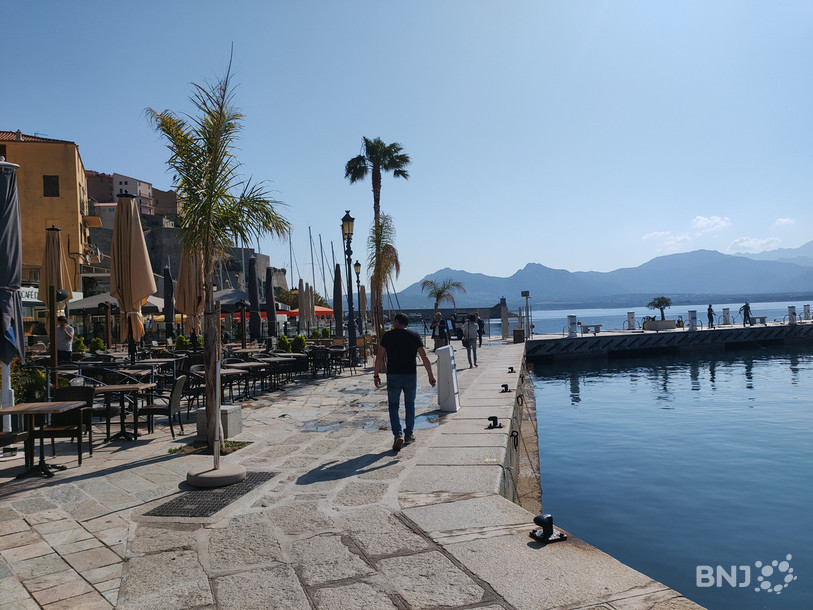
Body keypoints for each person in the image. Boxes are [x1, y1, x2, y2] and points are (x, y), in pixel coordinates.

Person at [374, 313, 436, 452]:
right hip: (410, 375)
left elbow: (379, 357)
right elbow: (424, 356)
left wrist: (376, 375)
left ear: (396, 321)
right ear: (407, 324)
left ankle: (397, 434)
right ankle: (409, 434)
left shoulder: (388, 336)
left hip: (393, 375)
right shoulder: (414, 335)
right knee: (410, 405)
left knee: (393, 406)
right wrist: (430, 375)